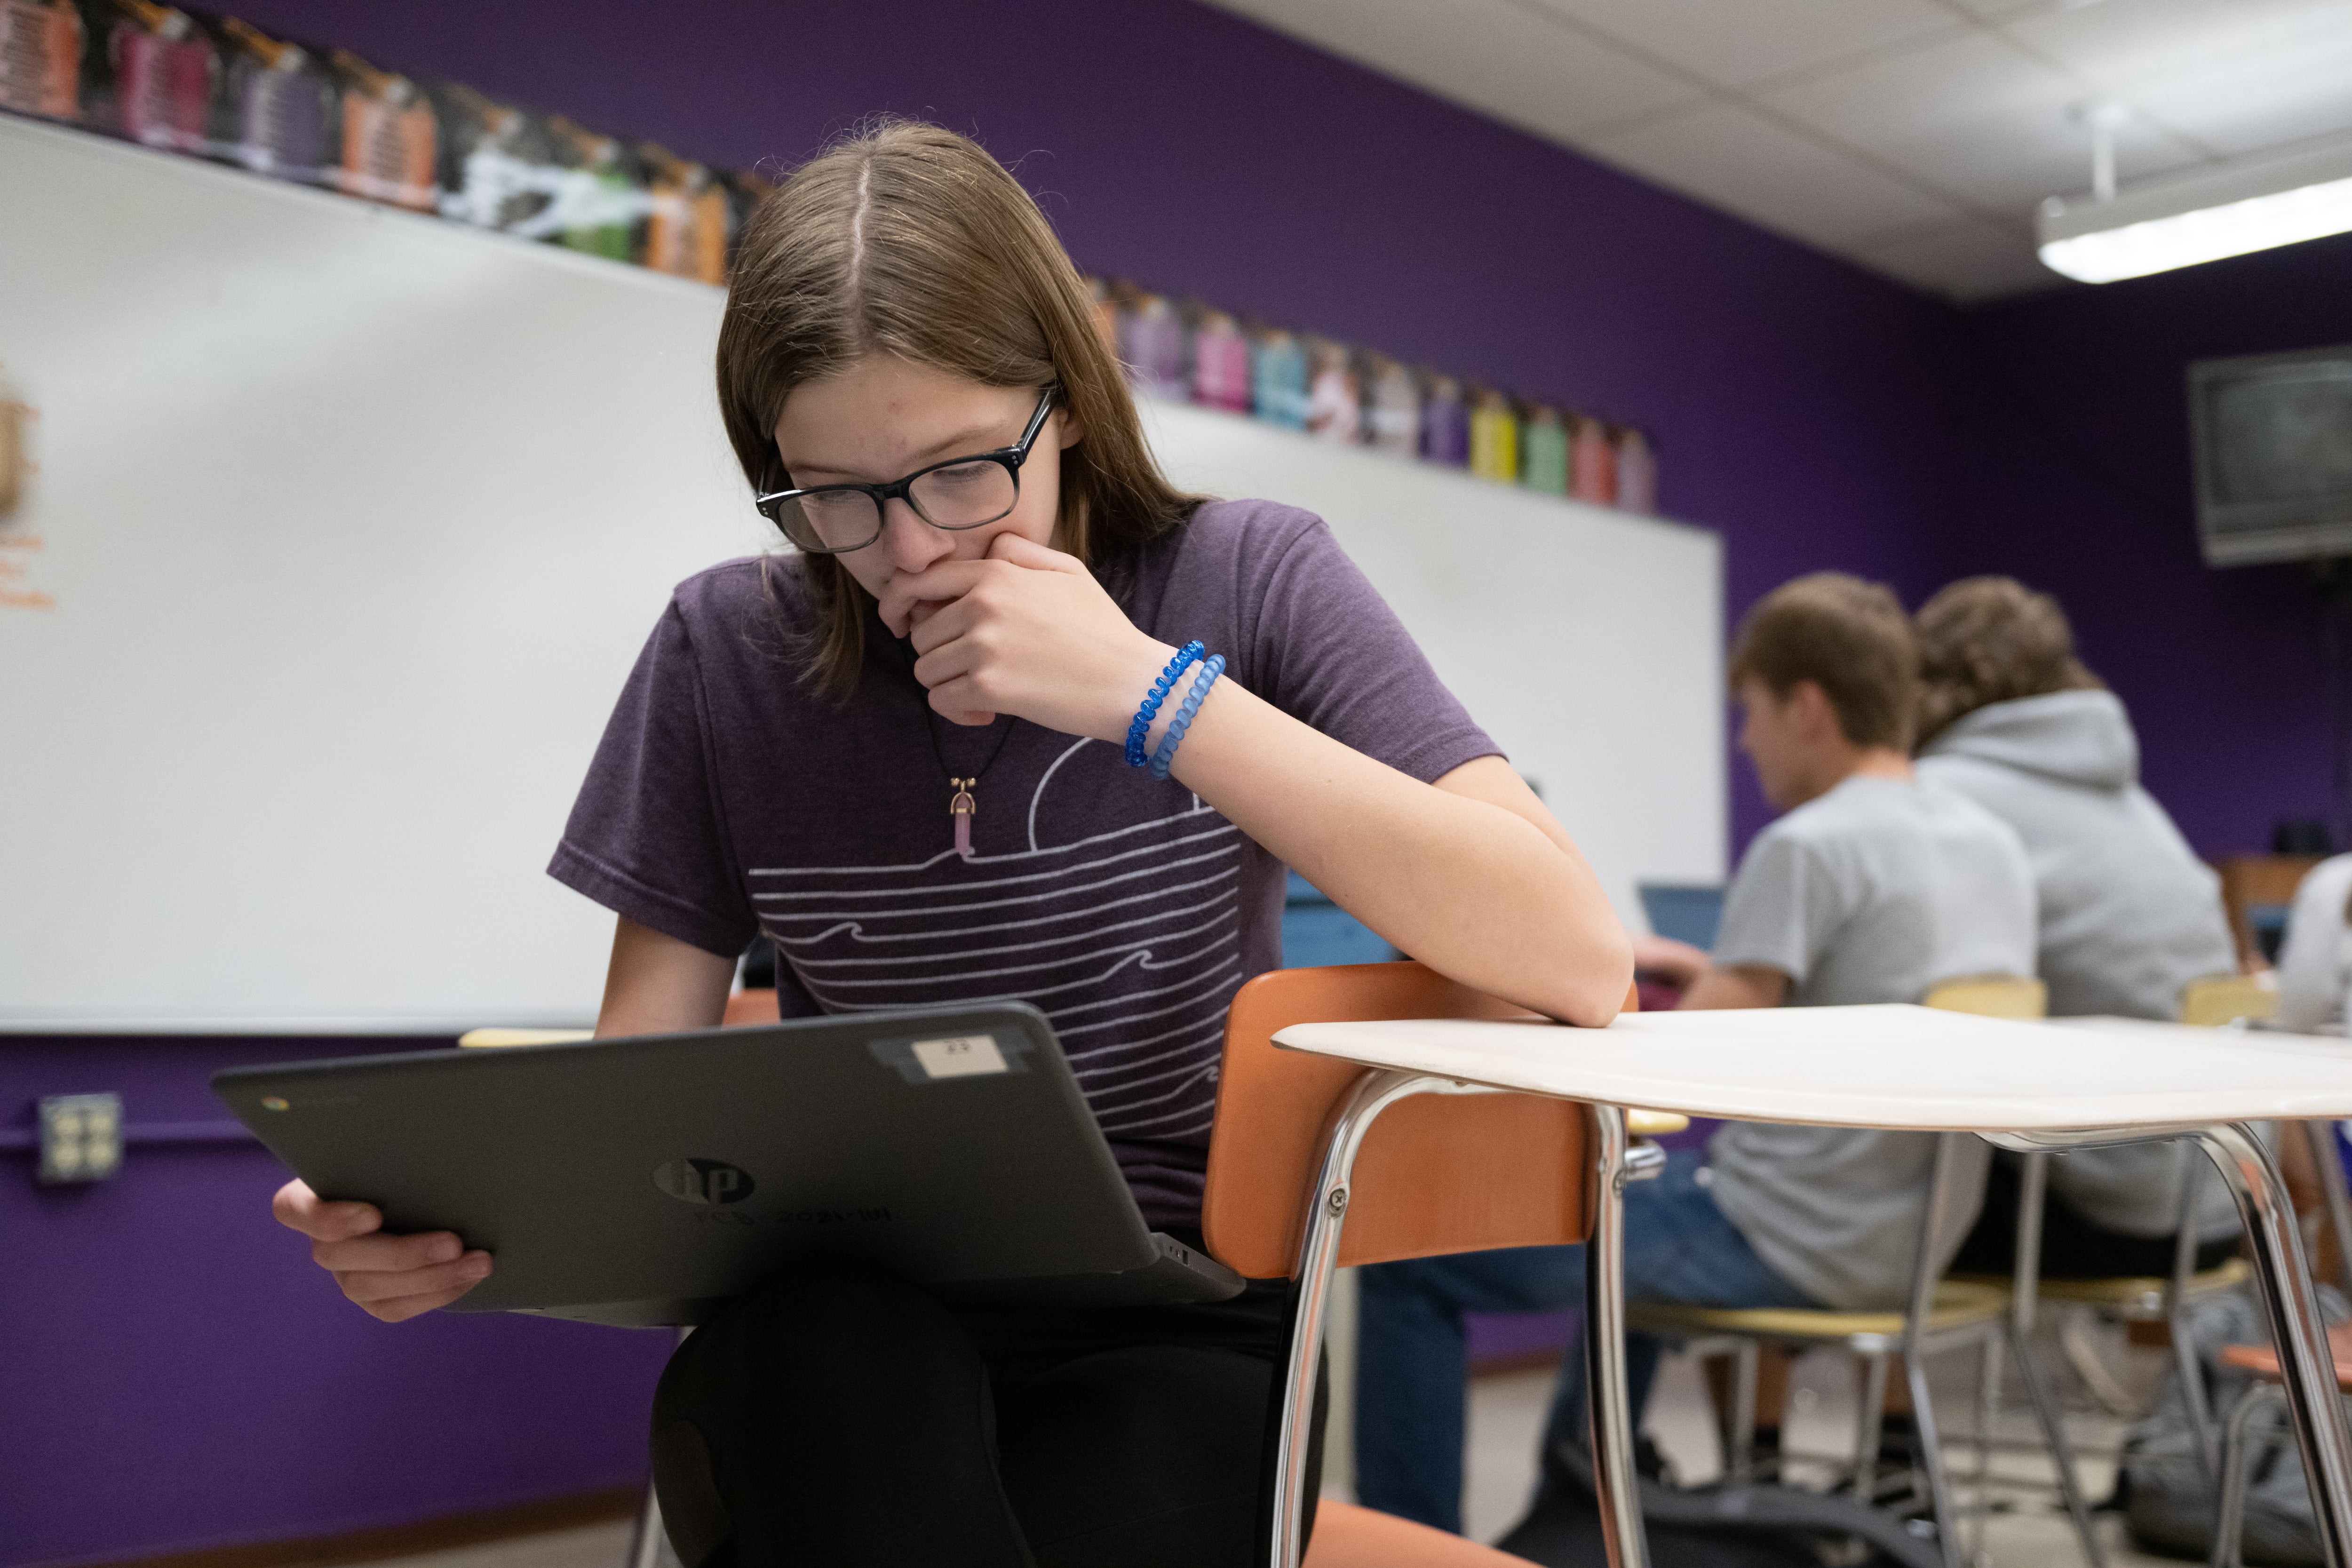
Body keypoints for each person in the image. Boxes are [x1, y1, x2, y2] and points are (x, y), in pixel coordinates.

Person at [263, 120, 1632, 1568]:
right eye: (834, 497)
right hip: (825, 1321)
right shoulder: (724, 650)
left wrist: (1152, 695)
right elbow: (641, 1105)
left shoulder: (1250, 575)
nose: (910, 549)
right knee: (846, 1370)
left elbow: (1573, 951)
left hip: (1182, 1322)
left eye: (964, 471)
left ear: (1072, 408)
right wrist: (454, 1227)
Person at [1354, 572, 2036, 1536]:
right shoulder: (1992, 846)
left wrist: (1560, 969)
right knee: (1642, 1185)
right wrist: (1725, 968)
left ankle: (1406, 1542)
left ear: (1806, 706)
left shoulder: (1807, 846)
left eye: (1750, 710)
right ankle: (1583, 1490)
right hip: (1915, 1239)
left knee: (1409, 1260)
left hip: (1789, 1237)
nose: (1744, 738)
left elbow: (1659, 1067)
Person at [1915, 577, 2244, 1279]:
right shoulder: (2136, 804)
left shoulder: (1941, 795)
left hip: (2110, 1214)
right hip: (2225, 1201)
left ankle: (1893, 1393)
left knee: (1857, 1193)